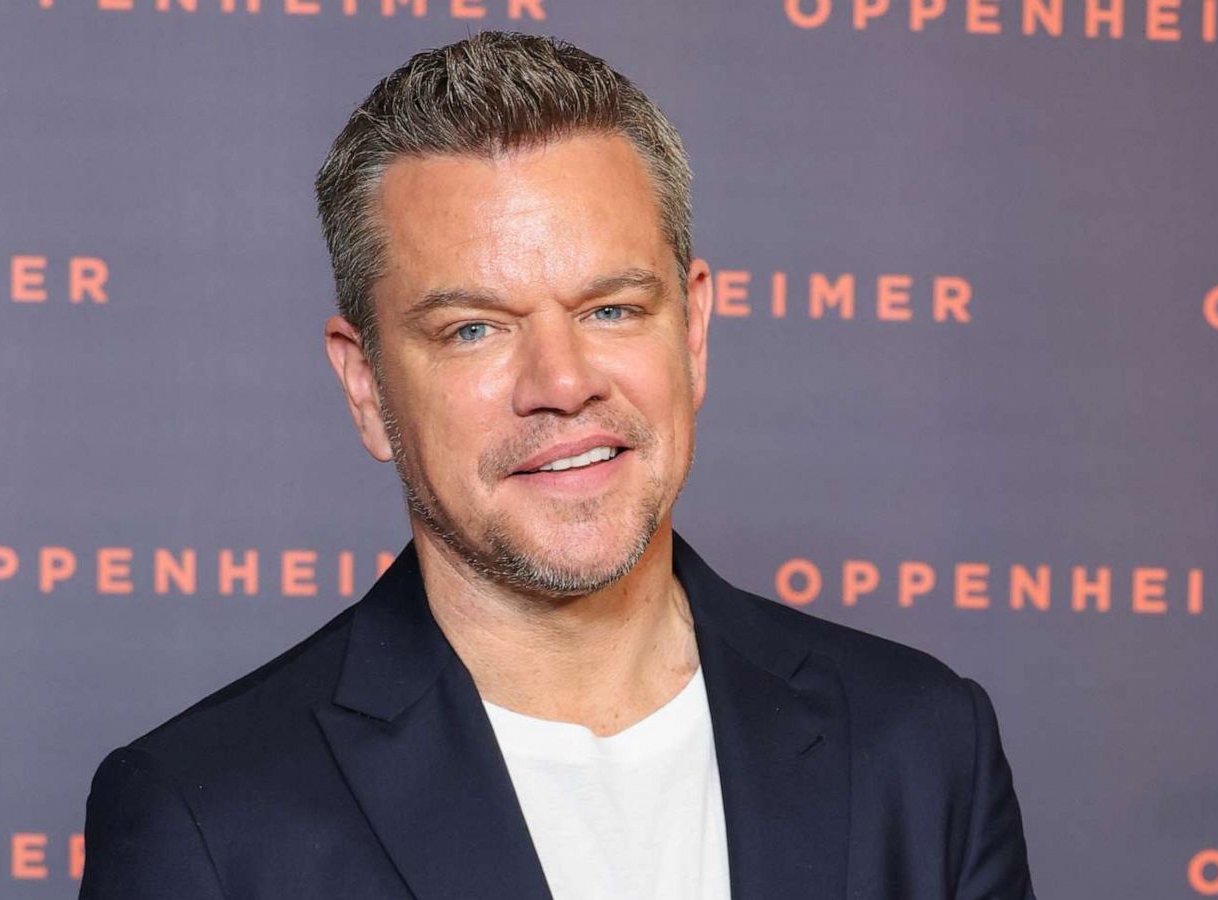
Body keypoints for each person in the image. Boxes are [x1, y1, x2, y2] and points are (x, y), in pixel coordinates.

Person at [79, 31, 1036, 900]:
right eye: (474, 329)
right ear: (366, 385)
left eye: (611, 309)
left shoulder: (923, 746)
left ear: (693, 331)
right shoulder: (208, 820)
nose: (562, 382)